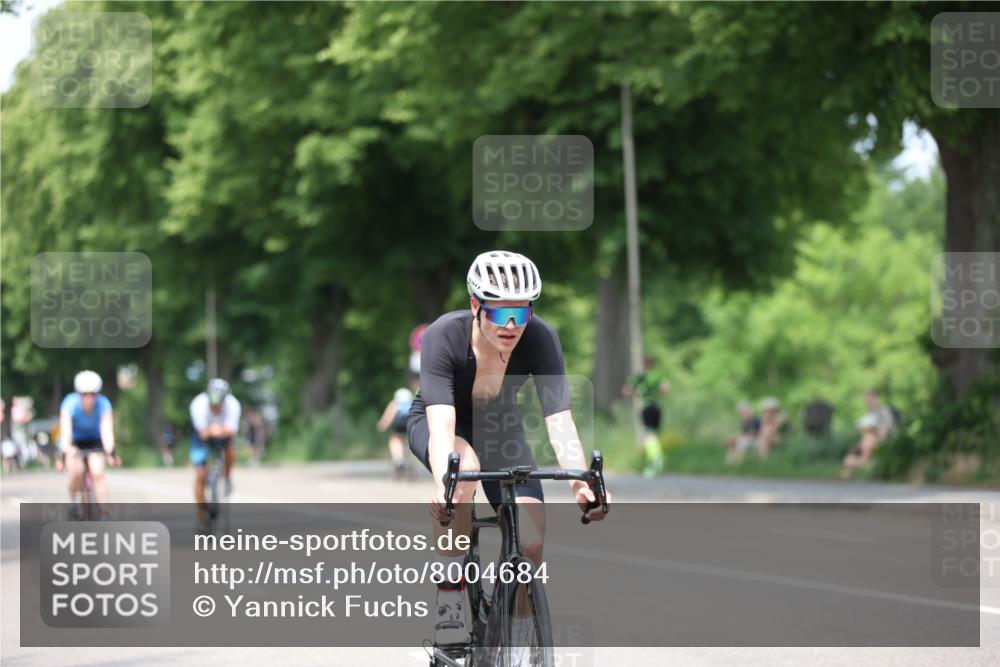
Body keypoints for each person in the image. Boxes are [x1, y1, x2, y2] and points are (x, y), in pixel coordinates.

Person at [407, 250, 610, 648]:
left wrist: (580, 486)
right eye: (500, 314)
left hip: (500, 426)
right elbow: (442, 423)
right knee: (461, 474)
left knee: (531, 537)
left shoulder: (541, 338)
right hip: (442, 421)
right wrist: (443, 484)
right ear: (474, 306)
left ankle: (517, 643)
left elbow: (559, 419)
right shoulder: (443, 335)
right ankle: (450, 598)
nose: (512, 325)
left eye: (522, 312)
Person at [59, 370, 118, 517]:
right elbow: (65, 432)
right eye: (84, 394)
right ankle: (73, 501)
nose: (89, 398)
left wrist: (111, 453)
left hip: (94, 441)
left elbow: (107, 431)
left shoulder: (104, 404)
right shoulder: (69, 403)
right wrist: (64, 454)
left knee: (98, 472)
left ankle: (103, 510)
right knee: (76, 471)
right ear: (78, 393)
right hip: (75, 441)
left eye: (93, 394)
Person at [189, 378, 241, 530]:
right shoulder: (198, 404)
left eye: (219, 404)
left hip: (223, 434)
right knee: (200, 475)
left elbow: (231, 430)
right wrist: (212, 430)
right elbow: (202, 433)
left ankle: (227, 476)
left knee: (230, 447)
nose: (216, 407)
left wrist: (220, 430)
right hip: (202, 436)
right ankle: (201, 514)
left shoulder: (233, 404)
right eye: (213, 404)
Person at [622, 358, 671, 477]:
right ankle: (656, 458)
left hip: (647, 406)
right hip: (657, 407)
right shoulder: (658, 375)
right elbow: (665, 388)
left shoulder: (639, 377)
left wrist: (637, 394)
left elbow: (626, 391)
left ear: (644, 365)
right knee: (655, 434)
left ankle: (655, 458)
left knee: (648, 435)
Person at [377, 385, 414, 479]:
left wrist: (382, 426)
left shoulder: (395, 403)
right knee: (409, 444)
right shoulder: (412, 403)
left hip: (399, 425)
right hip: (409, 425)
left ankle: (399, 460)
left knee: (395, 440)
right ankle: (409, 463)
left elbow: (388, 417)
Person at [841, 413, 880, 479]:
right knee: (849, 459)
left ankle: (845, 477)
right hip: (865, 460)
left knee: (849, 460)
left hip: (868, 462)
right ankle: (845, 477)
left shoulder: (869, 439)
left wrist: (855, 461)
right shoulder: (868, 437)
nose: (860, 428)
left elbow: (866, 456)